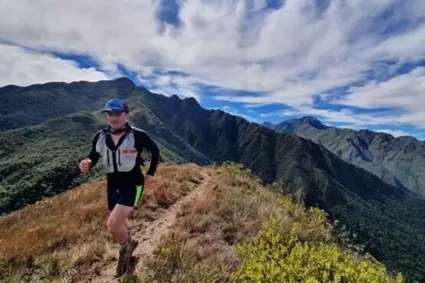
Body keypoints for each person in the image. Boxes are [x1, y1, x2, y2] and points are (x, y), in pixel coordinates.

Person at [79, 97, 160, 277]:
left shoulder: (138, 135)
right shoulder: (100, 137)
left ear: (126, 116)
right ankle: (130, 241)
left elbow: (155, 150)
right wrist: (87, 163)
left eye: (117, 114)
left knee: (113, 226)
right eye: (109, 114)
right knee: (119, 224)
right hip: (112, 185)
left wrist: (151, 172)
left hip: (133, 184)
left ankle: (125, 252)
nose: (113, 117)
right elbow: (94, 155)